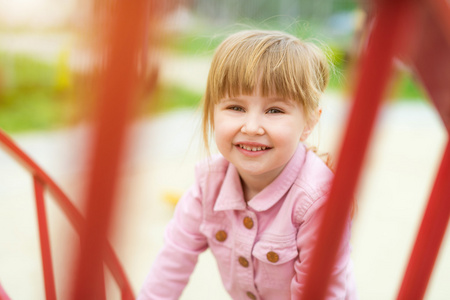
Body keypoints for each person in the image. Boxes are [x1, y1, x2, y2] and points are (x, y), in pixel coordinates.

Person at [138, 29, 357, 299]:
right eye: (236, 108)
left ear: (309, 122)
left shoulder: (317, 201)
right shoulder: (209, 184)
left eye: (275, 110)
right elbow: (172, 261)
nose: (252, 127)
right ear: (212, 111)